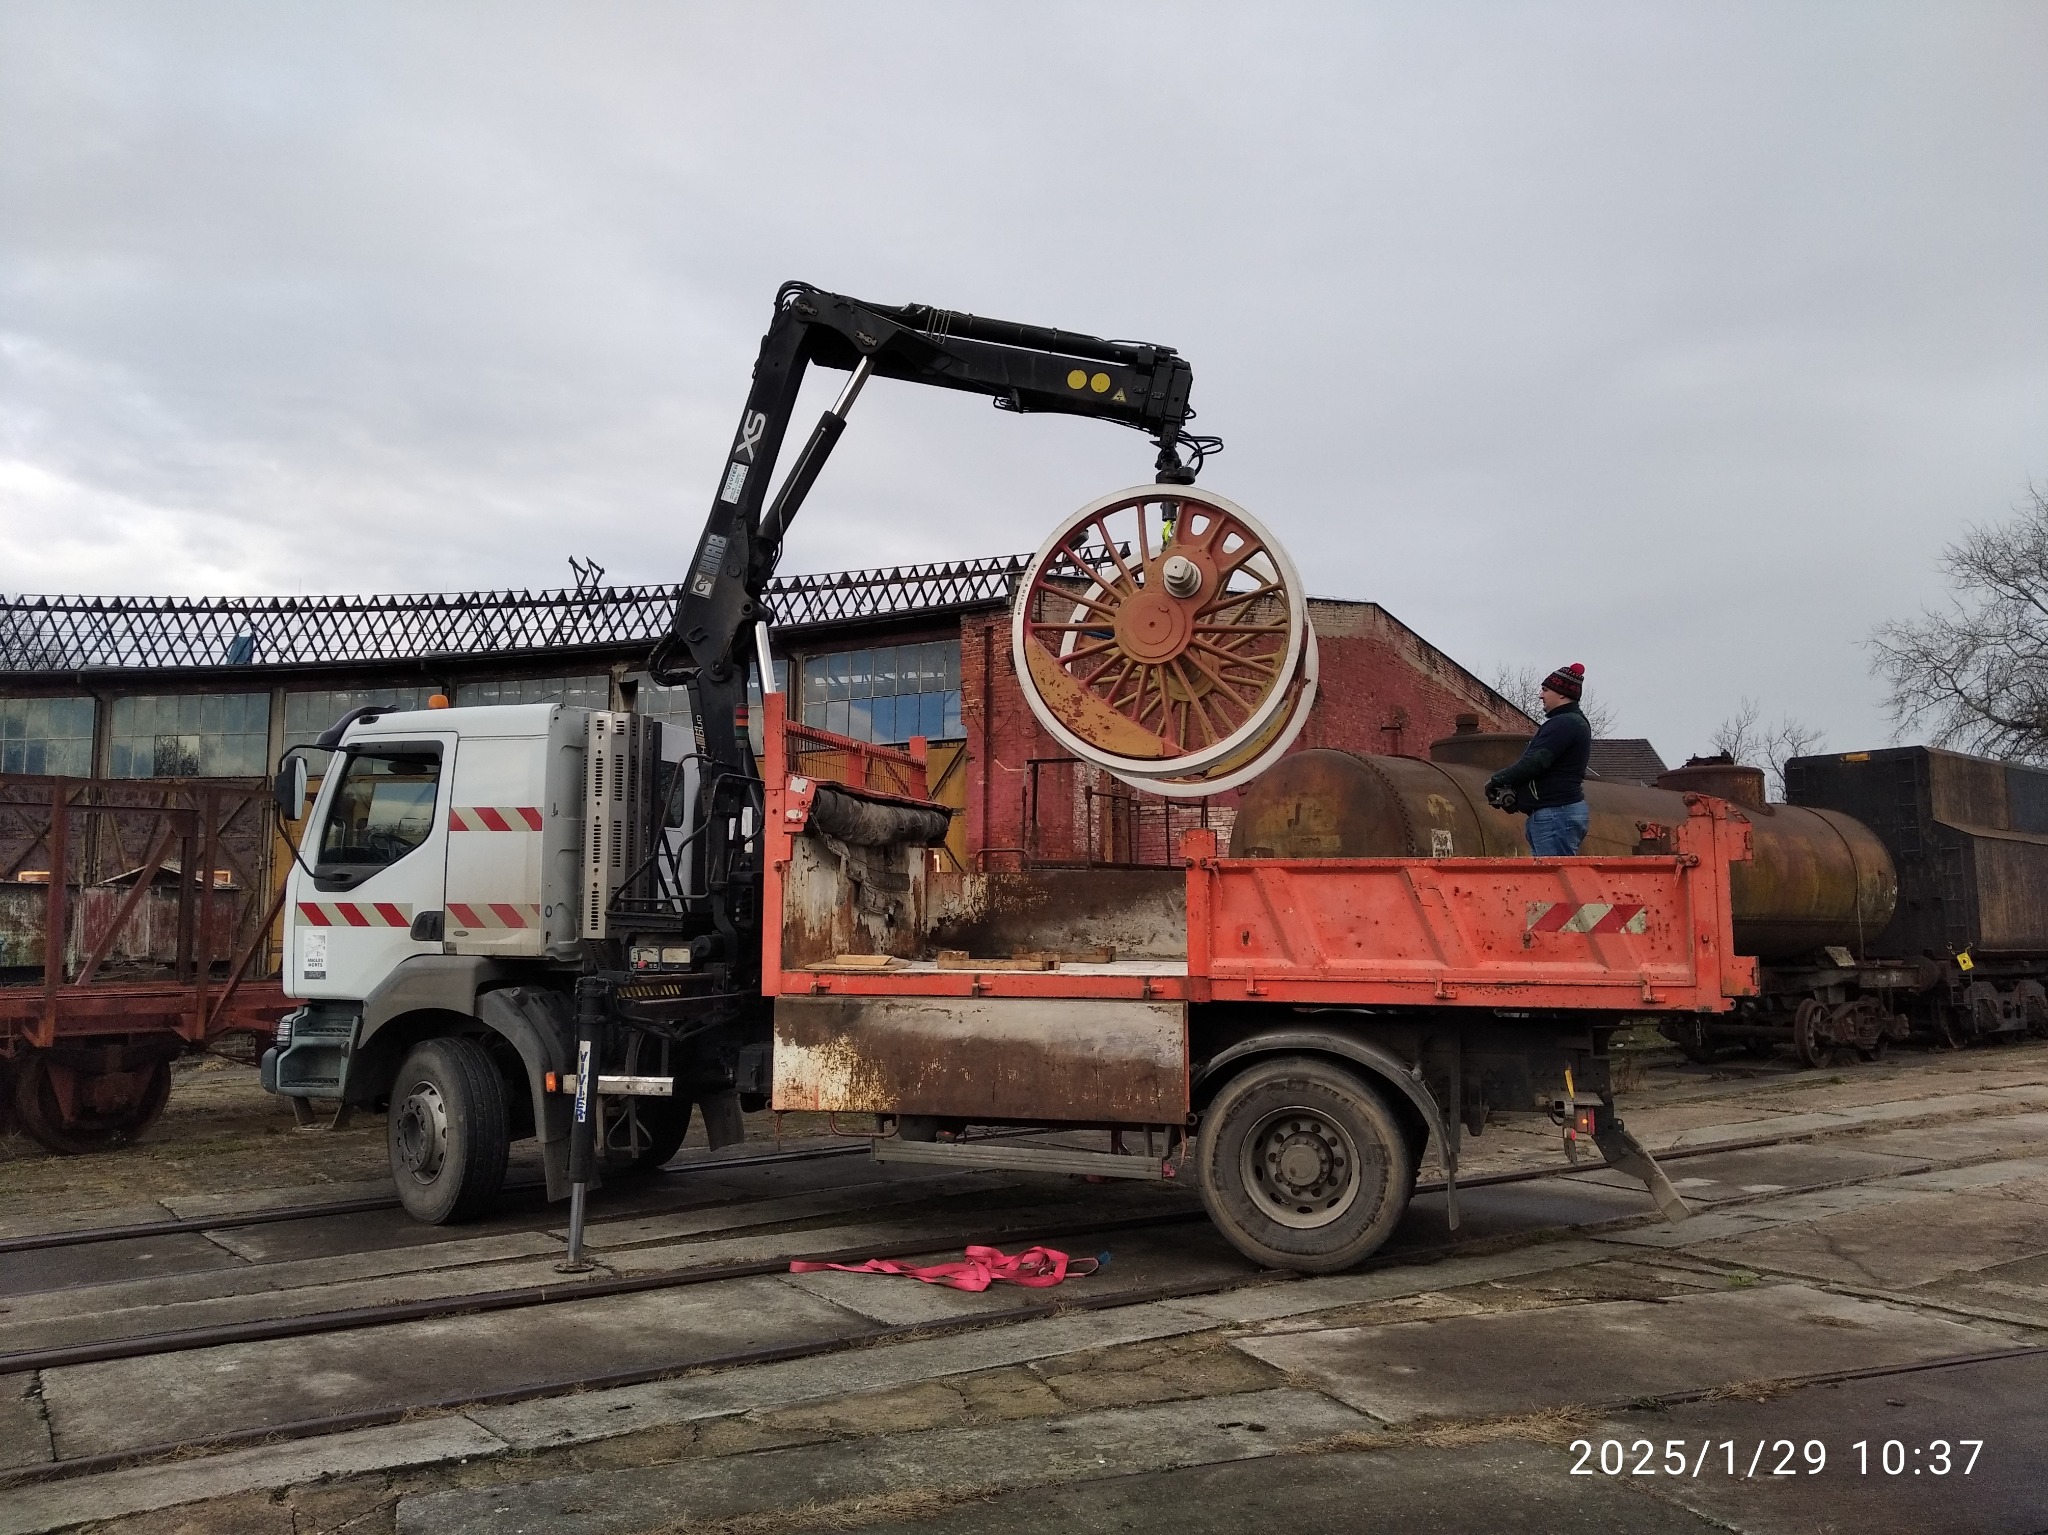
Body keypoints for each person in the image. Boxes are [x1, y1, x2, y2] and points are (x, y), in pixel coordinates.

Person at [1485, 663, 1593, 856]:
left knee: (1553, 881)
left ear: (1561, 693)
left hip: (1555, 814)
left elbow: (1535, 763)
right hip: (1557, 813)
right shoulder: (1571, 723)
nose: (1540, 695)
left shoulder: (1564, 724)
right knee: (1550, 878)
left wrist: (1498, 779)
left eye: (1545, 690)